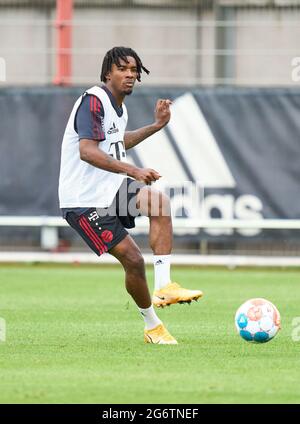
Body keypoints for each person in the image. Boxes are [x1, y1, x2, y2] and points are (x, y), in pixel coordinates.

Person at [58, 46, 203, 345]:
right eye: (122, 69)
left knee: (158, 202)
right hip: (82, 201)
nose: (130, 75)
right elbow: (87, 151)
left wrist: (156, 126)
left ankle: (164, 285)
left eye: (134, 70)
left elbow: (116, 140)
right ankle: (152, 326)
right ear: (107, 73)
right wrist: (133, 171)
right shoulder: (93, 101)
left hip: (107, 190)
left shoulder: (118, 108)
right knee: (134, 260)